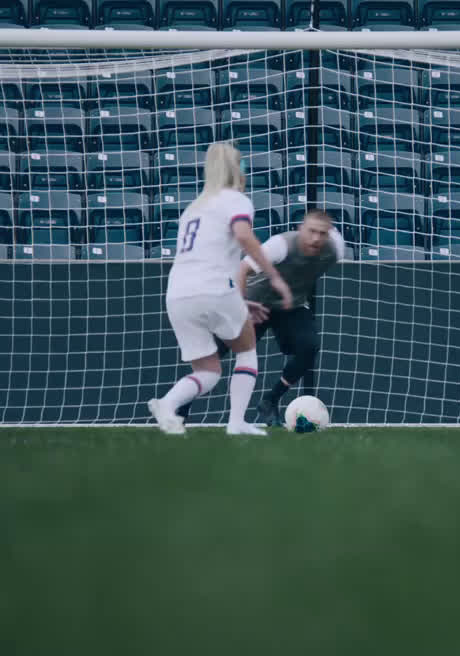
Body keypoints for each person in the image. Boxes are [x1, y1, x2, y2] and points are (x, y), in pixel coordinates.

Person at [148, 142, 291, 437]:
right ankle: (236, 423)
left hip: (178, 295)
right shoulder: (236, 200)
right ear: (236, 170)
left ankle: (167, 403)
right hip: (213, 288)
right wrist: (273, 275)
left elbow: (207, 256)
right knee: (247, 350)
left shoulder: (193, 209)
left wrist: (237, 301)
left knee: (208, 370)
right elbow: (244, 236)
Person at [176, 210, 345, 427]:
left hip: (290, 305)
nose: (315, 238)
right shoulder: (280, 246)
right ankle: (181, 408)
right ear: (300, 229)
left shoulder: (335, 248)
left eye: (321, 233)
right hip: (255, 302)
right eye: (311, 231)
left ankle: (270, 401)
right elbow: (242, 269)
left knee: (309, 347)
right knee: (214, 357)